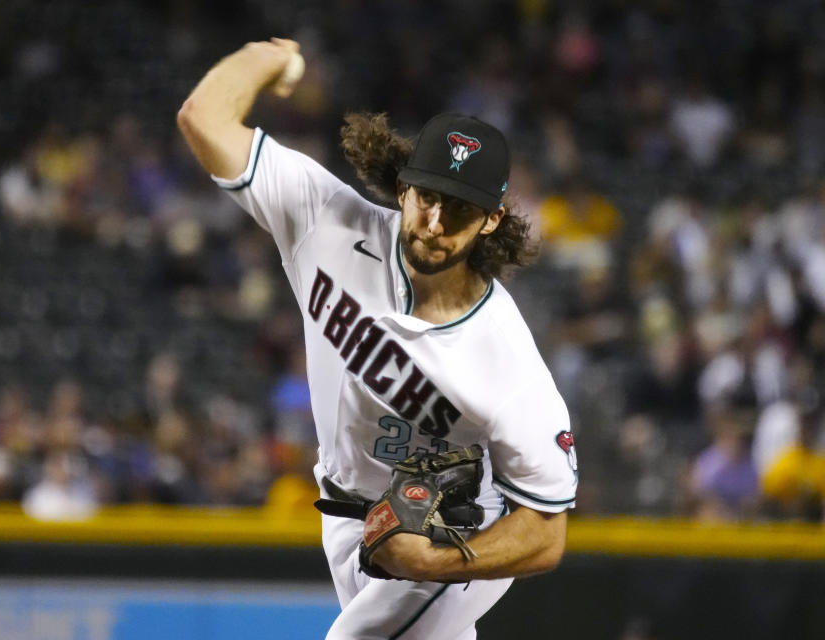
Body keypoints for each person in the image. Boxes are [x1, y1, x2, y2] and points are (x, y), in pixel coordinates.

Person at [177, 38, 577, 640]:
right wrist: (270, 56)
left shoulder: (506, 357)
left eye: (460, 210)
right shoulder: (326, 223)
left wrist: (438, 563)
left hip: (454, 529)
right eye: (429, 197)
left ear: (492, 219)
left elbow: (547, 533)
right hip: (342, 510)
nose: (436, 224)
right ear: (404, 186)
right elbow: (204, 119)